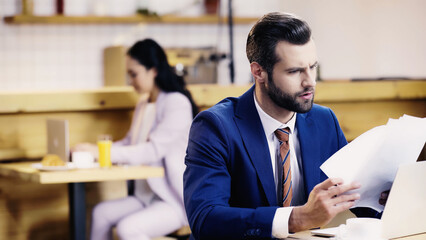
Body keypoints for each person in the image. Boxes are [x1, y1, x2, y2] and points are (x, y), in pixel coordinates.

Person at [183, 12, 385, 240]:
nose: (310, 81)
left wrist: (381, 200)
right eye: (294, 71)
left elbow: (350, 198)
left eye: (312, 67)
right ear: (258, 72)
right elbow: (205, 218)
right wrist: (297, 218)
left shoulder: (324, 120)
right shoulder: (215, 126)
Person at [74, 38, 198, 240]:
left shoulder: (177, 103)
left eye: (134, 74)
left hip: (172, 199)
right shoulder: (144, 103)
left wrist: (100, 153)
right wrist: (93, 151)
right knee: (101, 214)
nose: (130, 81)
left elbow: (152, 150)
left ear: (154, 71)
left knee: (128, 229)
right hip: (145, 196)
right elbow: (130, 143)